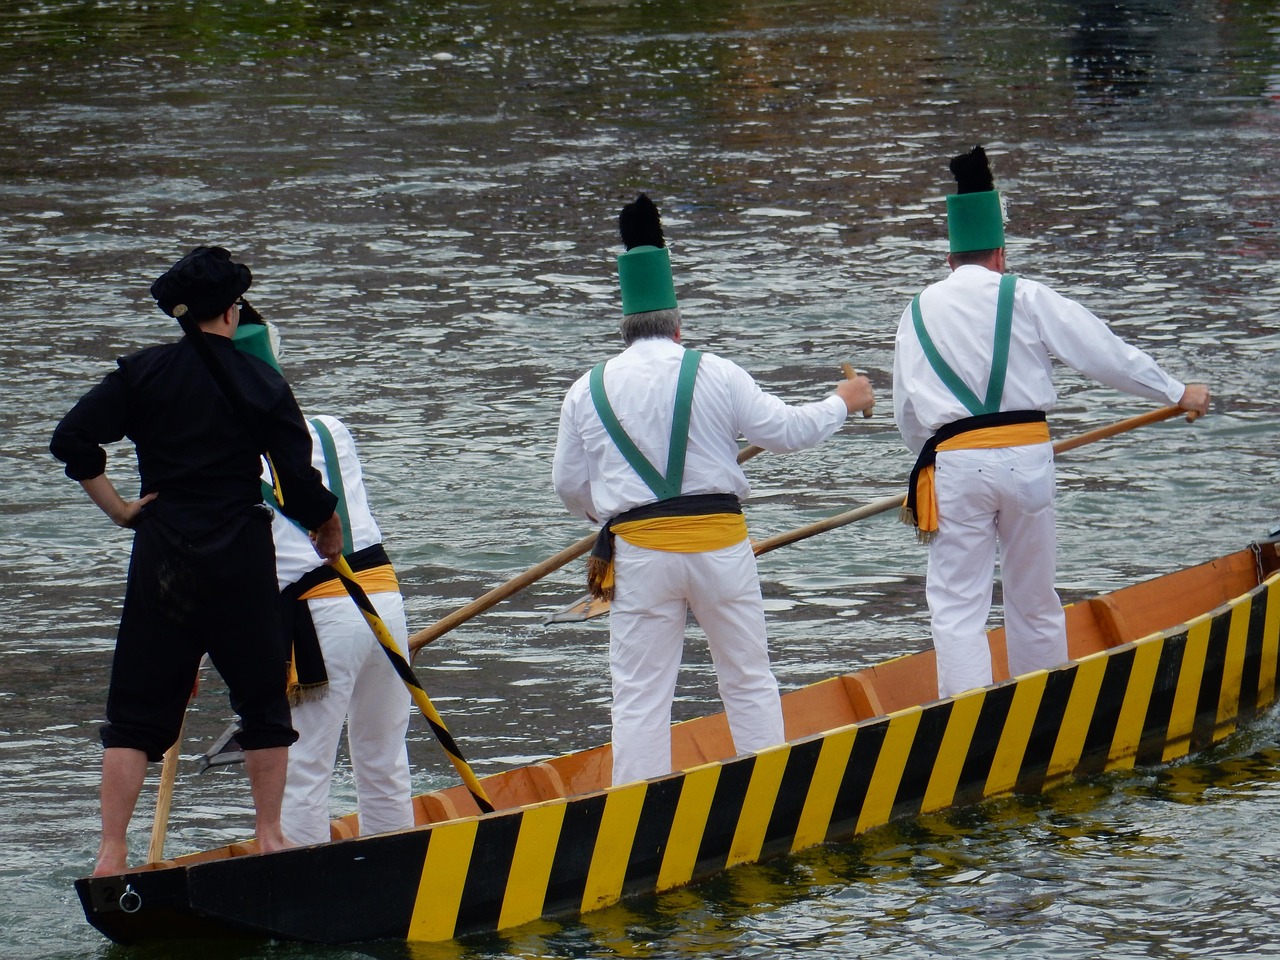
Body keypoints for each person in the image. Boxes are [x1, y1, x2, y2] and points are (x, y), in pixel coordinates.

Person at [552, 194, 875, 786]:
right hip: (720, 548)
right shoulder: (717, 371)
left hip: (639, 554)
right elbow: (786, 432)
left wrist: (615, 516)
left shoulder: (586, 389)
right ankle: (769, 793)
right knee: (748, 678)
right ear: (678, 326)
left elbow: (569, 486)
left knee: (641, 698)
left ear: (624, 329)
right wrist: (842, 402)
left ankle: (638, 816)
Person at [50, 247, 342, 876]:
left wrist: (120, 510)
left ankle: (111, 854)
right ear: (232, 311)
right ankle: (269, 839)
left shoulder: (142, 374)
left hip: (163, 553)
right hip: (238, 551)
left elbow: (71, 438)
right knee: (262, 703)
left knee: (134, 713)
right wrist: (327, 527)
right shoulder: (261, 380)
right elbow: (298, 476)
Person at [892, 146, 1211, 699]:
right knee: (1033, 597)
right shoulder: (1025, 295)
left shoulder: (915, 311)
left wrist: (940, 457)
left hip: (953, 466)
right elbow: (1102, 353)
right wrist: (1177, 391)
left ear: (950, 260)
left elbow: (908, 415)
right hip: (1027, 459)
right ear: (1000, 255)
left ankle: (966, 724)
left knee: (957, 607)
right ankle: (1048, 709)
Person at [234, 307, 413, 845]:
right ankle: (397, 868)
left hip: (318, 618)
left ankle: (302, 887)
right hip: (382, 602)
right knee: (384, 757)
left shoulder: (229, 459)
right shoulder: (331, 430)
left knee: (303, 765)